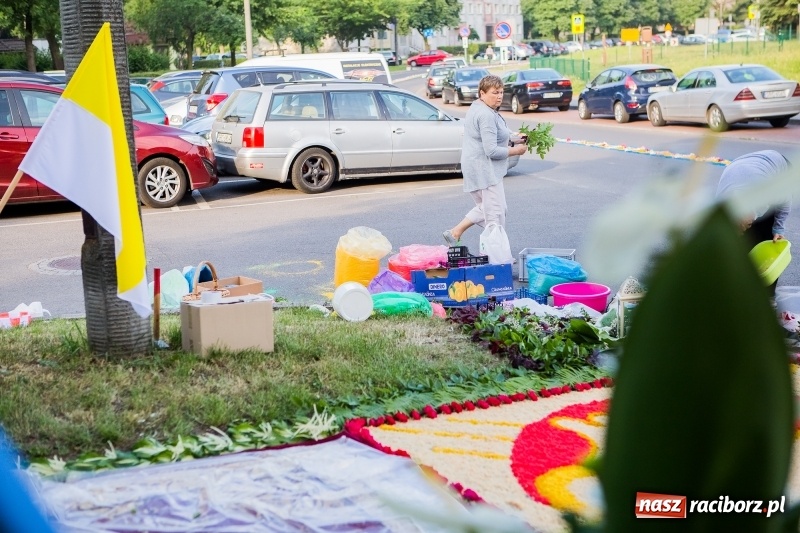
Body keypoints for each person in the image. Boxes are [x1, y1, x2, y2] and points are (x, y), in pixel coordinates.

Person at [443, 74, 527, 251]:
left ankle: (455, 232)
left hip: (477, 169)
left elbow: (493, 135)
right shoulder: (485, 114)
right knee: (495, 215)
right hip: (484, 171)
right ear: (482, 93)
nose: (499, 96)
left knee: (489, 208)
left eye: (501, 92)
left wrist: (514, 138)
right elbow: (492, 151)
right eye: (494, 92)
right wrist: (516, 150)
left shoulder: (479, 107)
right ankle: (494, 257)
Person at [716, 150, 792, 293]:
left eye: (746, 225)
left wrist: (778, 229)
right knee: (742, 242)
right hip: (742, 163)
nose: (742, 229)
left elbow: (785, 201)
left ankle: (767, 296)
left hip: (778, 165)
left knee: (767, 238)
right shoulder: (723, 202)